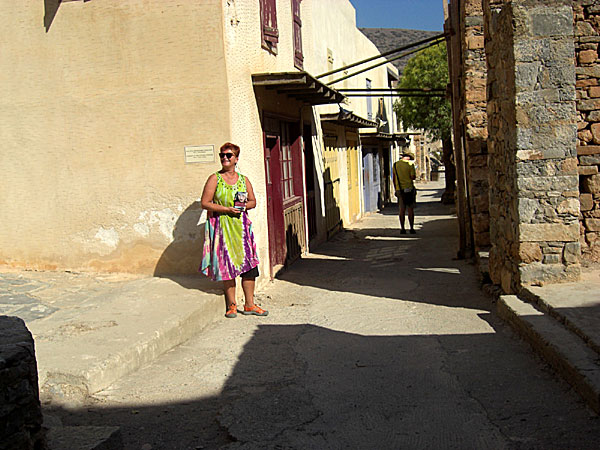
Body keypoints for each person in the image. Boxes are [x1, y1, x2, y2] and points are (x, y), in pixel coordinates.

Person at [200, 142, 268, 318]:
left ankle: (250, 304)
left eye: (228, 155)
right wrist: (226, 209)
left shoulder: (244, 179)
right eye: (222, 155)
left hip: (241, 228)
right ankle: (231, 305)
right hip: (222, 228)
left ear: (236, 159)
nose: (224, 158)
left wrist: (243, 207)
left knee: (249, 266)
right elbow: (205, 203)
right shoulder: (214, 179)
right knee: (226, 265)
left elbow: (253, 201)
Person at [393, 152, 417, 234]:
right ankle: (411, 228)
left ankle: (402, 228)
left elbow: (394, 178)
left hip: (399, 189)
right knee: (410, 209)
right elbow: (413, 177)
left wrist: (396, 188)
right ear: (409, 157)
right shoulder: (410, 164)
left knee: (401, 210)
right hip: (409, 189)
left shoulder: (395, 165)